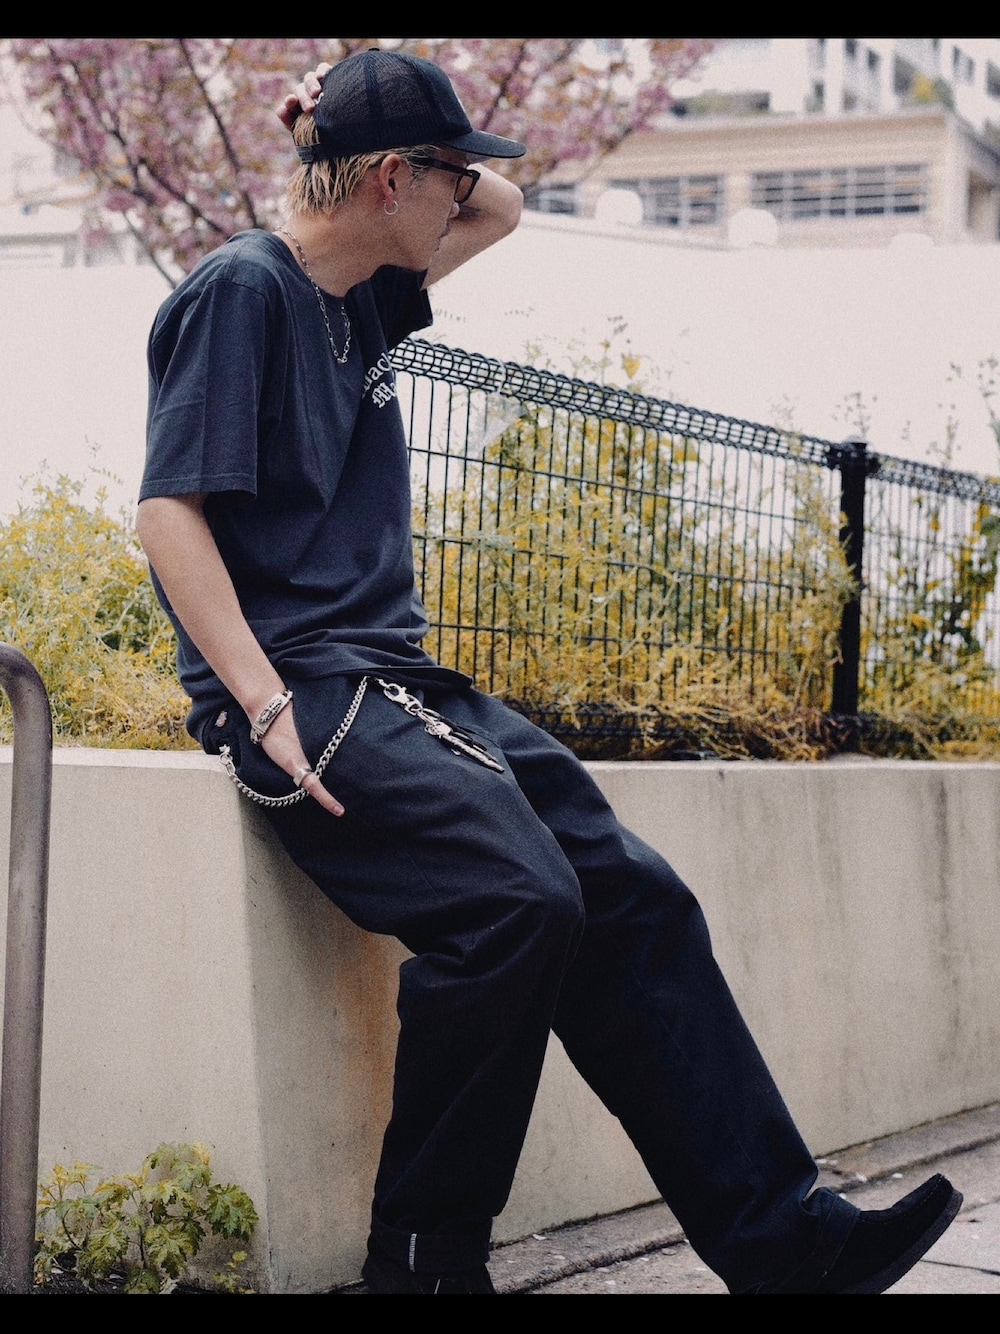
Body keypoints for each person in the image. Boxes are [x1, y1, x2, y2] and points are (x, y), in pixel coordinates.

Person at [137, 49, 961, 1295]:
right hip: (308, 687)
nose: (466, 194)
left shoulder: (363, 291)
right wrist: (260, 704)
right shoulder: (242, 290)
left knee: (631, 893)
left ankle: (787, 1241)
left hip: (399, 679)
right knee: (520, 902)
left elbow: (504, 208)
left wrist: (334, 134)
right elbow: (168, 513)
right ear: (392, 181)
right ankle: (423, 1263)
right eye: (447, 172)